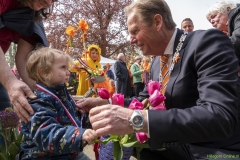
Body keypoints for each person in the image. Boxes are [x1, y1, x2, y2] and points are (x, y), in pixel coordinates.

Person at [81, 0, 239, 159]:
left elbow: (220, 116)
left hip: (214, 151)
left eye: (135, 31)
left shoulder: (206, 42)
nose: (131, 39)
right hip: (174, 146)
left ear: (157, 22)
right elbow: (142, 100)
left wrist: (136, 120)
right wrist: (107, 103)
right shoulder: (157, 62)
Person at [21, 47, 97, 160]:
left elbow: (72, 119)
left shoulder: (62, 95)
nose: (68, 72)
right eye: (63, 67)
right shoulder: (39, 101)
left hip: (66, 153)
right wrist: (78, 135)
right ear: (43, 71)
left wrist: (91, 118)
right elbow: (46, 134)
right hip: (43, 156)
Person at [1, 0, 56, 121]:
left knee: (5, 120)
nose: (49, 3)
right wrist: (10, 82)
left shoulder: (31, 18)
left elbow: (23, 58)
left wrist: (42, 93)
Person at [206, 1, 240, 66]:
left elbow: (237, 40)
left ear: (228, 9)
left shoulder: (238, 14)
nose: (212, 22)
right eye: (210, 21)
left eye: (213, 16)